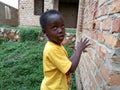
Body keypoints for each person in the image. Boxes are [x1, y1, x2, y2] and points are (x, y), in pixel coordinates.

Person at [39, 9, 90, 90]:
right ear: (44, 32)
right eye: (54, 27)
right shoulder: (52, 49)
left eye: (62, 26)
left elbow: (66, 63)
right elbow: (70, 69)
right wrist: (79, 50)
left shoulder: (57, 45)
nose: (60, 30)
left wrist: (76, 52)